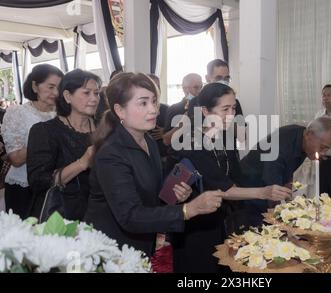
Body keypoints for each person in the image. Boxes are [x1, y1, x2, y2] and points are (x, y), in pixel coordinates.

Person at [83, 72, 225, 258]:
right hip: (110, 251)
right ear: (120, 110)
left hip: (140, 245)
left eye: (154, 101)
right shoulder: (111, 154)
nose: (154, 110)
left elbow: (150, 195)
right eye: (143, 103)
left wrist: (176, 194)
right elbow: (130, 215)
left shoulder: (148, 141)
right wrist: (188, 209)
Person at [172, 83, 292, 273]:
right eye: (225, 109)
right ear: (205, 111)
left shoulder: (225, 137)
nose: (231, 115)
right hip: (198, 225)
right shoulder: (192, 143)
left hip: (224, 219)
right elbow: (223, 189)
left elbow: (238, 177)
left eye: (234, 108)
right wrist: (263, 192)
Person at [27, 69, 101, 220]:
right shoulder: (45, 131)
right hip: (63, 218)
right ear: (67, 96)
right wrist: (81, 163)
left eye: (97, 93)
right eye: (87, 93)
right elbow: (38, 181)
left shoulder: (105, 129)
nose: (94, 98)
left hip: (102, 215)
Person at [239, 117, 331, 225]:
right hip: (247, 191)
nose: (323, 153)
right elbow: (274, 192)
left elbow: (287, 171)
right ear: (309, 134)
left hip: (265, 187)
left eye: (327, 149)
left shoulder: (303, 138)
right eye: (323, 147)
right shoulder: (280, 147)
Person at [0, 64, 63, 218]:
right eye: (50, 87)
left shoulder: (62, 115)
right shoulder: (17, 113)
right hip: (23, 187)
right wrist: (45, 144)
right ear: (35, 86)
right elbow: (16, 159)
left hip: (57, 185)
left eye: (59, 88)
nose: (55, 93)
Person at [162, 73, 203, 175]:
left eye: (201, 87)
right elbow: (166, 140)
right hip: (178, 163)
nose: (199, 91)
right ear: (185, 89)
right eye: (196, 87)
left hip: (202, 161)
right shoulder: (174, 109)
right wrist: (182, 125)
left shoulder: (205, 108)